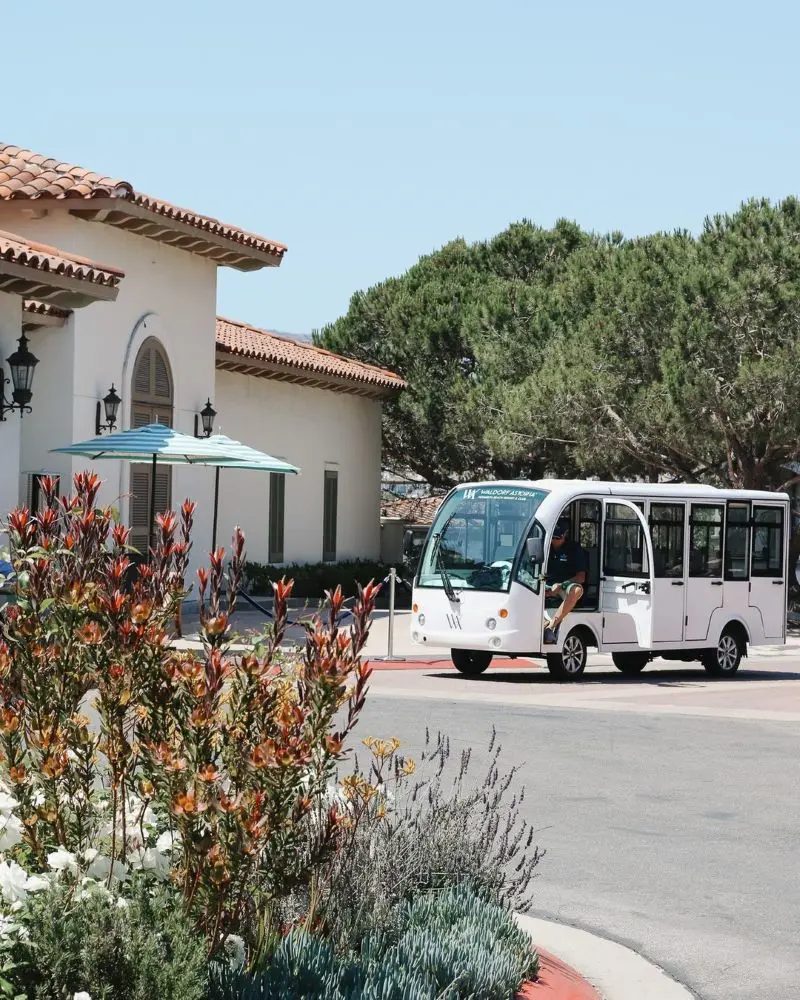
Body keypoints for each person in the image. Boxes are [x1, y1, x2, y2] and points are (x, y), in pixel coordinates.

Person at [543, 522, 587, 644]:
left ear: (564, 535)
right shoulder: (546, 547)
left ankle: (551, 626)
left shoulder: (574, 549)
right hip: (547, 585)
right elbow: (537, 571)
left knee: (576, 590)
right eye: (553, 538)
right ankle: (542, 623)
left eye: (558, 538)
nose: (555, 541)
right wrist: (545, 586)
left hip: (565, 585)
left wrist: (562, 585)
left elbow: (581, 577)